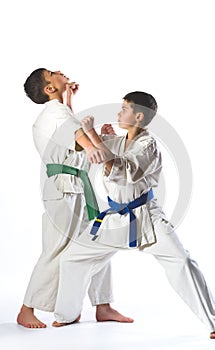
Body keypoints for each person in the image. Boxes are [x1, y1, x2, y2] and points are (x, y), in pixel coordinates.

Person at [52, 91, 215, 339]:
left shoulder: (149, 145)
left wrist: (92, 133)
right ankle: (67, 314)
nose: (118, 113)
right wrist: (72, 112)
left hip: (147, 218)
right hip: (114, 218)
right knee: (71, 258)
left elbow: (123, 171)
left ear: (139, 116)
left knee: (182, 262)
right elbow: (86, 147)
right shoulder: (118, 141)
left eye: (124, 109)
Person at [17, 68, 133, 328]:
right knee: (57, 248)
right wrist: (92, 145)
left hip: (75, 188)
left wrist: (69, 101)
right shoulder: (52, 113)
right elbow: (73, 134)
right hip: (62, 190)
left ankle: (102, 305)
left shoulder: (59, 111)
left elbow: (69, 125)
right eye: (52, 73)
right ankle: (27, 309)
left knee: (96, 242)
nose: (59, 71)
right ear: (49, 88)